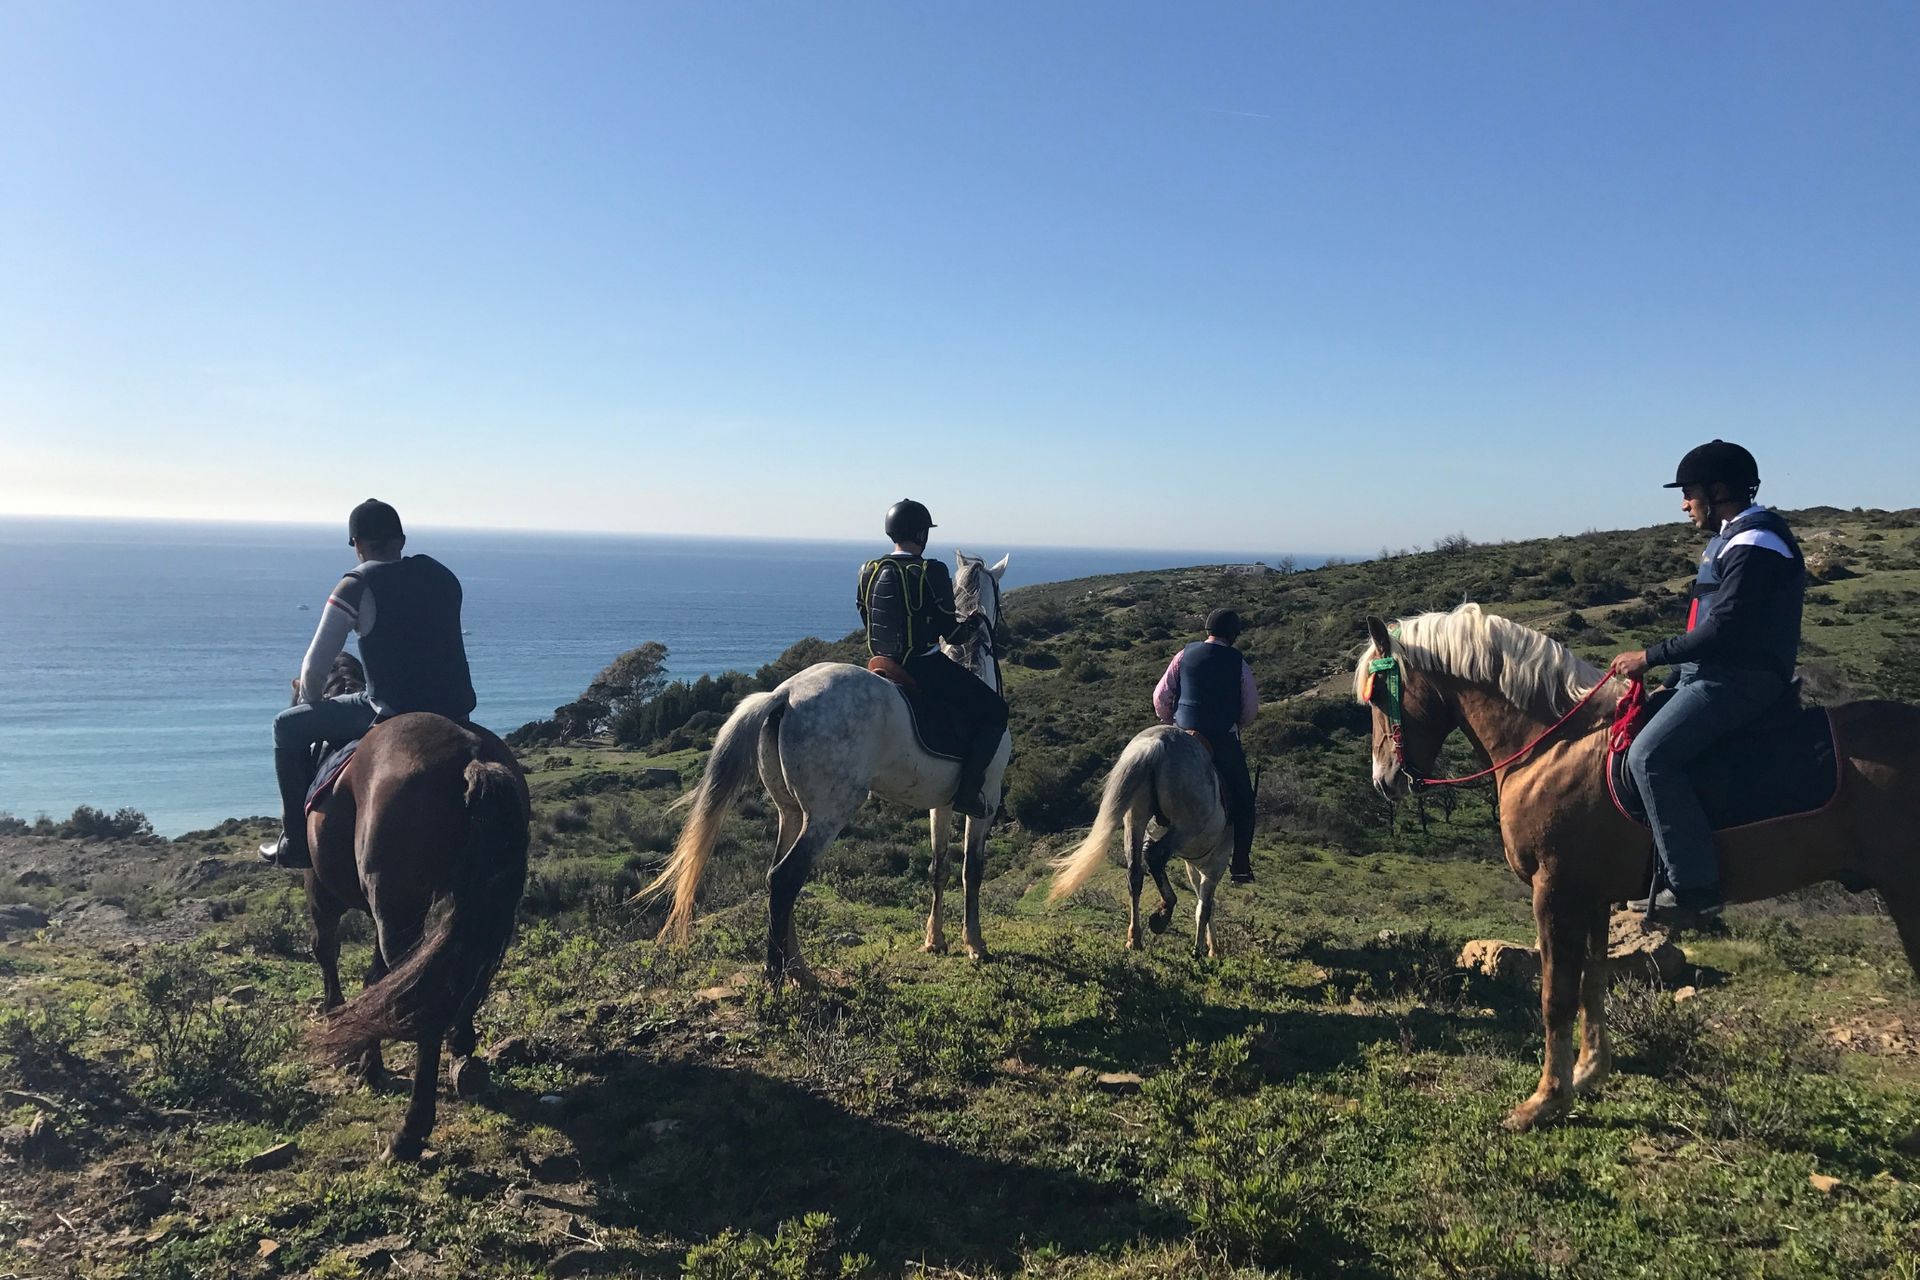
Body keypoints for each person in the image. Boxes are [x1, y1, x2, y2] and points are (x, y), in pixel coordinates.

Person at [1606, 440, 1806, 919]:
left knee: (1650, 756)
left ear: (1719, 490)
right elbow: (1704, 625)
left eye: (1690, 492)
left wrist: (1650, 657)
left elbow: (1725, 629)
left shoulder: (1756, 542)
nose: (1684, 503)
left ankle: (1695, 888)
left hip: (1740, 681)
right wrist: (1672, 678)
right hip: (1710, 674)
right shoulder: (1729, 539)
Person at [259, 499, 476, 868]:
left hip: (391, 709)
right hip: (457, 710)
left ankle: (295, 841)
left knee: (285, 726)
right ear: (402, 540)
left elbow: (315, 668)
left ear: (356, 544)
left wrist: (309, 702)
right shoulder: (443, 575)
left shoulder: (356, 585)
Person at [856, 499, 1010, 819]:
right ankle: (968, 792)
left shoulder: (868, 569)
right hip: (922, 666)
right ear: (921, 534)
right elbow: (949, 635)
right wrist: (972, 626)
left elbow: (865, 614)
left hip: (880, 663)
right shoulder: (931, 570)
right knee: (996, 711)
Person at [1153, 608, 1260, 884]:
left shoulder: (1183, 655)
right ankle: (1240, 865)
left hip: (1183, 735)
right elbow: (1249, 711)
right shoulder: (1238, 663)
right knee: (1246, 802)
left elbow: (1161, 697)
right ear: (1233, 634)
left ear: (1208, 630)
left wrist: (1173, 723)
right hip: (1221, 740)